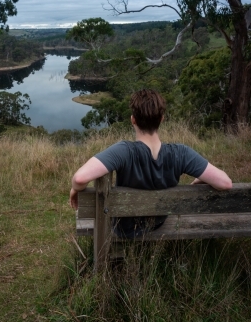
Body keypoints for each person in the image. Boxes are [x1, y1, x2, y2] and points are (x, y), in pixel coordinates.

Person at [70, 89, 232, 239]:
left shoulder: (124, 151)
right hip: (157, 223)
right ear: (162, 119)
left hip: (124, 229)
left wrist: (74, 191)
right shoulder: (181, 153)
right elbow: (225, 183)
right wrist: (199, 180)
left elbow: (79, 179)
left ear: (133, 120)